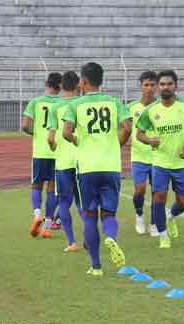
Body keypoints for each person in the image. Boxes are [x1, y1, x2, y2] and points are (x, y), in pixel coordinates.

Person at [62, 62, 132, 276]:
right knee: (109, 213)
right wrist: (117, 143)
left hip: (87, 167)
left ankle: (96, 266)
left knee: (90, 214)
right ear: (101, 80)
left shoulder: (74, 105)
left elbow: (66, 132)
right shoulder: (114, 102)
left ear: (83, 81)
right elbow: (128, 127)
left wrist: (78, 141)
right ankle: (110, 236)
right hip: (110, 165)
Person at [136, 70, 184, 249]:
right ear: (158, 87)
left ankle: (171, 215)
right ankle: (163, 235)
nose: (166, 87)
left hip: (182, 162)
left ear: (176, 86)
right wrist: (149, 140)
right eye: (162, 84)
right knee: (159, 196)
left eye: (169, 84)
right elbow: (139, 133)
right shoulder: (150, 111)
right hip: (160, 162)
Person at [22, 73, 62, 238]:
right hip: (57, 150)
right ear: (60, 87)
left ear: (46, 83)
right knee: (52, 189)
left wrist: (35, 133)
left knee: (36, 185)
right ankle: (46, 226)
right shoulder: (62, 103)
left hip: (40, 151)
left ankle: (37, 213)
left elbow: (24, 126)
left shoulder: (35, 102)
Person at [47, 70, 83, 252]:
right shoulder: (82, 104)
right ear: (78, 85)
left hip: (62, 162)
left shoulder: (55, 108)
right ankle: (89, 236)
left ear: (61, 86)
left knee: (63, 201)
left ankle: (71, 242)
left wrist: (54, 147)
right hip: (82, 160)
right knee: (82, 201)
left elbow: (50, 138)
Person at [127, 71, 158, 236]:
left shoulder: (162, 107)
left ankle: (154, 222)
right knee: (139, 190)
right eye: (146, 85)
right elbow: (124, 127)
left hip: (158, 156)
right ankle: (139, 214)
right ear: (140, 86)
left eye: (153, 85)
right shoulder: (132, 107)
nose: (149, 88)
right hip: (138, 156)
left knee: (157, 192)